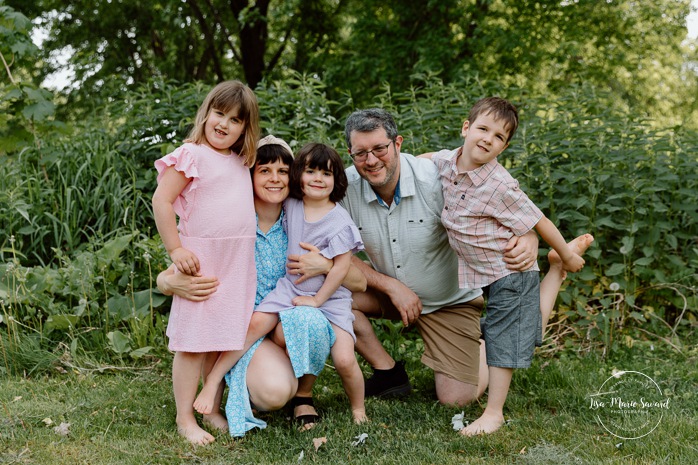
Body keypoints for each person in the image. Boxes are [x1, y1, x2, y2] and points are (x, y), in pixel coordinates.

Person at [288, 108, 544, 409]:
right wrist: (390, 286)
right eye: (361, 153)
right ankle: (388, 372)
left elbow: (500, 197)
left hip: (449, 301)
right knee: (328, 291)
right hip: (388, 293)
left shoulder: (436, 180)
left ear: (398, 143)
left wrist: (529, 234)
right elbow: (326, 246)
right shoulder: (344, 187)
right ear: (350, 153)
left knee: (457, 399)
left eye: (380, 149)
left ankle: (488, 340)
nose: (371, 160)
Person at [158, 135, 367, 439]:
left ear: (292, 176)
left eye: (283, 172)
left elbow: (358, 280)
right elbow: (173, 272)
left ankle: (299, 393)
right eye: (264, 171)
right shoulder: (234, 219)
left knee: (307, 322)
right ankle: (234, 387)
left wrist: (324, 265)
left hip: (284, 322)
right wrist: (168, 281)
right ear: (250, 175)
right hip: (241, 330)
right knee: (274, 392)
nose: (275, 179)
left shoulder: (301, 214)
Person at [419, 96, 594, 435]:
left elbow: (538, 220)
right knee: (524, 334)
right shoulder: (446, 161)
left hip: (509, 271)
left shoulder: (500, 184)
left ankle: (493, 413)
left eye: (498, 137)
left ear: (505, 146)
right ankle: (555, 270)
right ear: (466, 128)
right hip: (484, 275)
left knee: (504, 336)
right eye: (482, 129)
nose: (487, 139)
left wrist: (570, 255)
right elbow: (419, 160)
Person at [151, 80, 260, 445]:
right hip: (202, 259)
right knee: (194, 342)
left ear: (246, 128)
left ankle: (209, 407)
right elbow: (162, 202)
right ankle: (185, 417)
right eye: (219, 113)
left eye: (235, 120)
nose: (224, 124)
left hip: (236, 259)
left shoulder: (241, 161)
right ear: (206, 113)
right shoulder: (191, 154)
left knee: (220, 338)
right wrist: (175, 250)